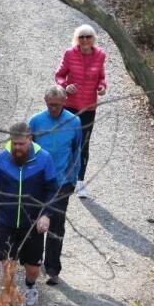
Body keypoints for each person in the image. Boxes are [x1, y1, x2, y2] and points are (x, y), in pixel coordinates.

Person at [0, 121, 59, 306]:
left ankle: (30, 285)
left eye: (21, 144)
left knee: (32, 269)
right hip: (6, 222)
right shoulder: (2, 159)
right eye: (14, 143)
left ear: (30, 140)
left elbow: (53, 191)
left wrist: (46, 215)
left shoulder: (44, 159)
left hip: (32, 224)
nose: (17, 148)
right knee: (7, 267)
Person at [29, 86, 81, 286]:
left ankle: (52, 268)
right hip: (38, 181)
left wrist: (73, 179)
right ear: (45, 102)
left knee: (56, 224)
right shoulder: (35, 121)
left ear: (64, 102)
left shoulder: (74, 122)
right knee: (35, 222)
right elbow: (26, 148)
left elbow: (76, 151)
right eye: (50, 104)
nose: (53, 108)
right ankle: (34, 262)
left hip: (62, 182)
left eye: (57, 105)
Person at [54, 24, 107, 198]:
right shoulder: (70, 53)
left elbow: (102, 78)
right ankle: (61, 178)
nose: (85, 40)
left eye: (88, 36)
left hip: (89, 108)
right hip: (69, 106)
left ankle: (80, 182)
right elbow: (59, 75)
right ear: (77, 39)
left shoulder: (100, 55)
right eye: (81, 37)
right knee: (66, 142)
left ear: (93, 39)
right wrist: (65, 85)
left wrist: (102, 87)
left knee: (83, 144)